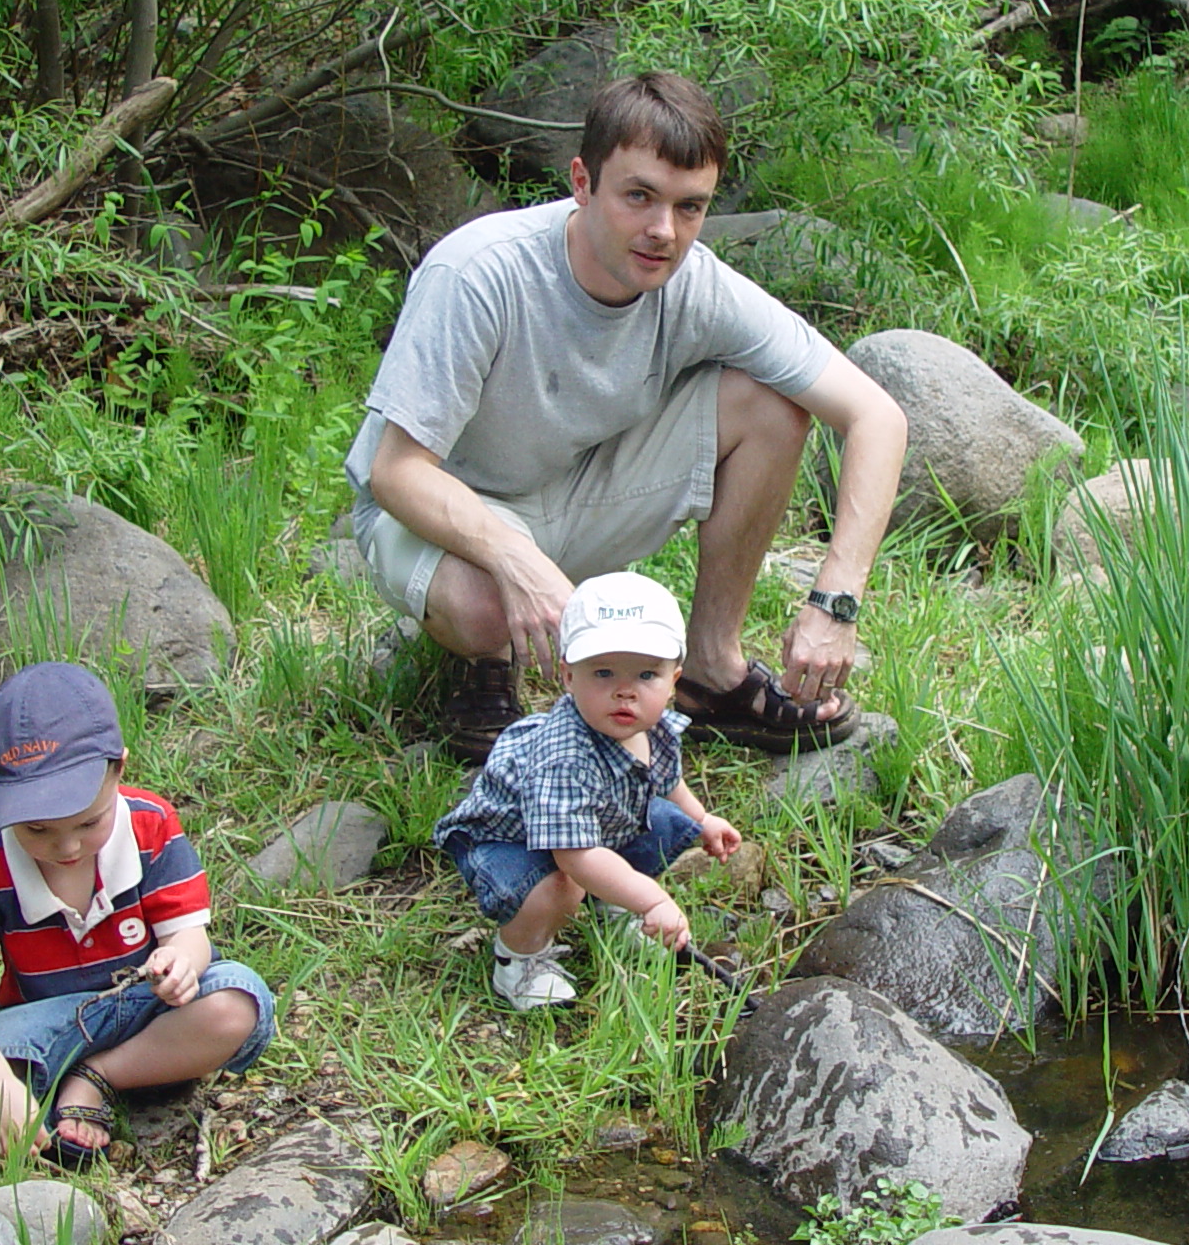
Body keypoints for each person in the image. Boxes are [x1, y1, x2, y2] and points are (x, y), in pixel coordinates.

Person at [346, 69, 910, 761]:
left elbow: (877, 417)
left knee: (772, 404)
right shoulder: (481, 273)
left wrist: (836, 600)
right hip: (435, 508)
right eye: (638, 196)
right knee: (486, 607)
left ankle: (710, 669)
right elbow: (394, 471)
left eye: (690, 207)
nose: (663, 232)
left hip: (570, 491)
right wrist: (517, 562)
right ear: (582, 183)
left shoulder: (697, 283)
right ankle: (483, 661)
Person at [0, 661, 273, 1166]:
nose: (66, 846)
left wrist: (180, 963)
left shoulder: (151, 827)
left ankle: (97, 1076)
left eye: (89, 822)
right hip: (49, 1023)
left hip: (145, 1009)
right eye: (37, 830)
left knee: (237, 1002)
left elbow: (189, 937)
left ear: (120, 770)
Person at [435, 571, 743, 1009]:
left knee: (667, 822)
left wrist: (703, 819)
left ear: (673, 680)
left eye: (646, 674)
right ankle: (519, 959)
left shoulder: (652, 729)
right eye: (602, 672)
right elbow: (573, 856)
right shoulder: (565, 756)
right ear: (568, 676)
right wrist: (653, 899)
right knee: (563, 885)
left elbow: (667, 781)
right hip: (507, 842)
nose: (625, 691)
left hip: (593, 826)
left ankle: (613, 904)